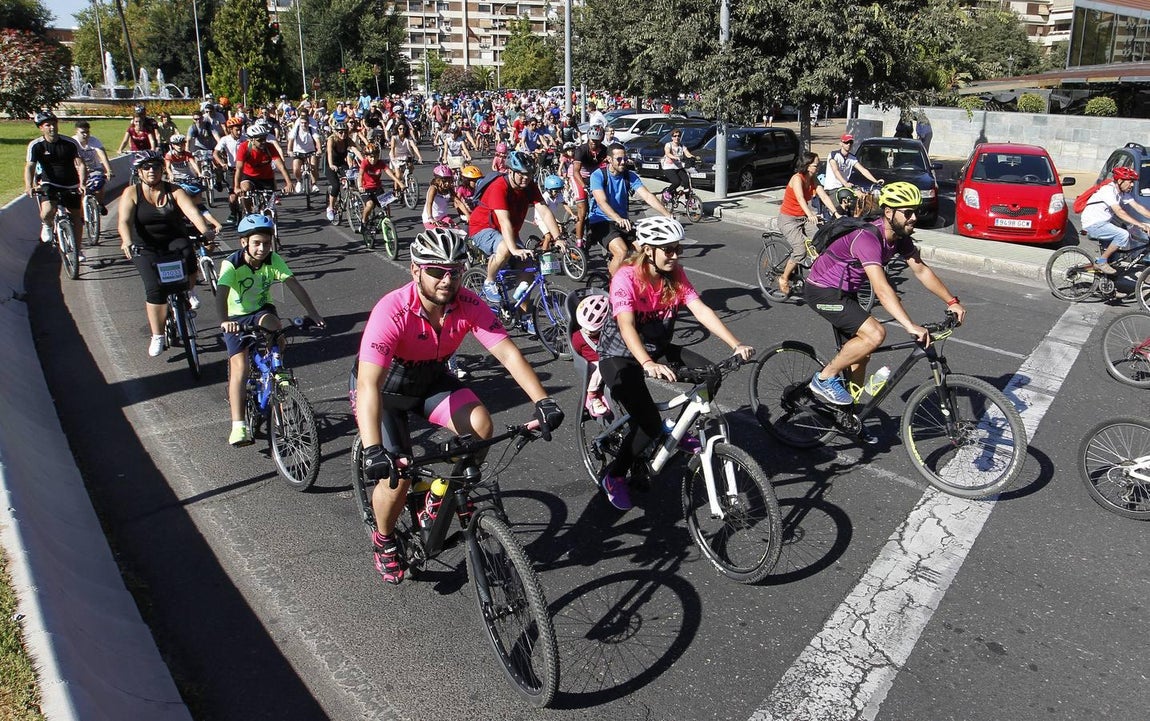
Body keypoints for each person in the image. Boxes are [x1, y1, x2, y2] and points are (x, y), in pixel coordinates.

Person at [353, 228, 564, 583]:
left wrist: (543, 401)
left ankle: (437, 492)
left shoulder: (467, 303)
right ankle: (384, 540)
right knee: (396, 479)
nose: (447, 279)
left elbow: (508, 354)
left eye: (455, 270)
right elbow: (368, 384)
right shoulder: (392, 310)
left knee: (481, 428)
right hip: (384, 392)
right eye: (436, 271)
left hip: (429, 381)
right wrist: (374, 449)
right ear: (415, 270)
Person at [595, 217, 754, 510]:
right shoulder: (626, 277)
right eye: (667, 250)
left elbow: (700, 309)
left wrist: (736, 344)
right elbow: (627, 325)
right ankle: (614, 476)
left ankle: (678, 431)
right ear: (647, 250)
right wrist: (645, 362)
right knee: (648, 423)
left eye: (677, 248)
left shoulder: (674, 273)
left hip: (658, 348)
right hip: (620, 355)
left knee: (711, 375)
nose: (675, 255)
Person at [804, 182, 967, 417]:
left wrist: (952, 301)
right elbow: (881, 288)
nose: (914, 218)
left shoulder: (900, 237)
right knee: (876, 334)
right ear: (889, 212)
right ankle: (824, 378)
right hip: (821, 291)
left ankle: (851, 415)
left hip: (845, 293)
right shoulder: (867, 239)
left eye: (916, 212)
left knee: (862, 355)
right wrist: (909, 326)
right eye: (907, 212)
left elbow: (921, 270)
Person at [217, 214, 325, 447]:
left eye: (267, 243)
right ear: (244, 242)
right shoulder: (232, 263)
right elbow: (221, 293)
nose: (262, 248)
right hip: (236, 316)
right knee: (241, 366)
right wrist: (225, 320)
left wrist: (313, 312)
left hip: (261, 310)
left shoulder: (273, 260)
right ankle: (239, 426)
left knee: (277, 329)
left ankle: (274, 369)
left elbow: (293, 284)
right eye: (257, 243)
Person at [117, 151, 218, 357]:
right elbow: (124, 221)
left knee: (188, 254)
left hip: (173, 239)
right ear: (139, 172)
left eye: (155, 166)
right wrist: (127, 241)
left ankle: (189, 291)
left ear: (162, 169)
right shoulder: (131, 193)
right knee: (155, 289)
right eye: (146, 168)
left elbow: (192, 212)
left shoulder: (175, 190)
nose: (152, 171)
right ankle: (158, 335)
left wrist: (205, 231)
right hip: (145, 245)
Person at [468, 151, 563, 304]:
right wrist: (513, 250)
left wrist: (558, 238)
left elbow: (544, 211)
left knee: (528, 270)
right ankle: (489, 282)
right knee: (505, 248)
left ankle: (524, 316)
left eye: (530, 174)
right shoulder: (499, 187)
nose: (526, 178)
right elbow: (504, 221)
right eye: (521, 174)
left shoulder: (529, 186)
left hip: (508, 231)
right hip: (482, 228)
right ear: (510, 171)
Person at [588, 144, 673, 276]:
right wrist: (617, 218)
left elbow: (647, 196)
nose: (623, 162)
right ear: (609, 159)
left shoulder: (629, 176)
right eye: (619, 159)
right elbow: (601, 202)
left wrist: (667, 214)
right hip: (601, 220)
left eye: (625, 158)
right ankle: (614, 286)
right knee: (622, 252)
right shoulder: (598, 175)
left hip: (622, 222)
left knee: (643, 250)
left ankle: (633, 280)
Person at [775, 152, 841, 297]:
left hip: (804, 217)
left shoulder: (813, 179)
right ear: (807, 165)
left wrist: (836, 214)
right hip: (789, 219)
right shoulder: (797, 178)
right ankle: (784, 278)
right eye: (816, 165)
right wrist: (810, 214)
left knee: (821, 240)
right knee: (800, 249)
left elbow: (823, 195)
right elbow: (800, 198)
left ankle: (817, 274)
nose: (819, 167)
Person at [26, 112, 87, 251]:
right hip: (49, 183)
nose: (52, 127)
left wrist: (82, 183)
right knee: (47, 211)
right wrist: (28, 186)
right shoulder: (36, 146)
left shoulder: (70, 143)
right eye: (48, 125)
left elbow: (81, 164)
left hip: (71, 182)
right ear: (41, 128)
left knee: (76, 216)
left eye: (54, 124)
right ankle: (47, 225)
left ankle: (77, 250)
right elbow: (30, 166)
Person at [1083, 165, 1150, 275]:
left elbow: (1139, 208)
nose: (1132, 184)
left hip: (1104, 224)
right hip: (1093, 223)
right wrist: (1140, 225)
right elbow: (1119, 212)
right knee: (1123, 234)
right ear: (1119, 181)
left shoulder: (1123, 193)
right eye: (1130, 181)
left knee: (1114, 259)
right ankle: (1101, 262)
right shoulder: (1108, 191)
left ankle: (1106, 281)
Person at [234, 121, 293, 213]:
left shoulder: (269, 147)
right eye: (259, 140)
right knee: (246, 190)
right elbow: (239, 168)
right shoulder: (244, 147)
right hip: (249, 176)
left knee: (269, 210)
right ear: (251, 139)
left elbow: (281, 166)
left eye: (264, 139)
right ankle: (248, 213)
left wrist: (289, 183)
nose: (263, 142)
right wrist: (237, 187)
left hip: (266, 178)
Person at [572, 294, 611, 418]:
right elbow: (577, 352)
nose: (587, 331)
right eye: (584, 327)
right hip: (590, 363)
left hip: (605, 357)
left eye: (593, 330)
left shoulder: (606, 333)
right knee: (599, 367)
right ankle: (592, 394)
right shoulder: (578, 337)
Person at [570, 125, 609, 247]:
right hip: (578, 177)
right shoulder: (581, 150)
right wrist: (584, 186)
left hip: (593, 177)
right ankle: (579, 242)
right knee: (582, 211)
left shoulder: (603, 149)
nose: (594, 143)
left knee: (604, 203)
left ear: (601, 140)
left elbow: (608, 167)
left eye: (597, 141)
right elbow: (576, 171)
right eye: (592, 140)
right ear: (588, 138)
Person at [357, 143, 403, 234]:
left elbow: (390, 174)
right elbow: (360, 175)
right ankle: (363, 223)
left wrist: (400, 184)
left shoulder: (380, 163)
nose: (373, 159)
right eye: (371, 157)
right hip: (366, 188)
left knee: (386, 203)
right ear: (367, 156)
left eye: (375, 156)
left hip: (377, 187)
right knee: (369, 204)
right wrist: (360, 186)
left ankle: (388, 222)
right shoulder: (365, 163)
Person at [73, 120, 113, 216]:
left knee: (99, 184)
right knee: (81, 193)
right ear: (76, 132)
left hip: (95, 169)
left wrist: (109, 170)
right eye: (82, 132)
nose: (85, 135)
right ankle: (82, 216)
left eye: (87, 132)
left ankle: (100, 203)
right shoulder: (73, 142)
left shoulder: (94, 141)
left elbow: (102, 155)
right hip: (78, 170)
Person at [214, 117, 245, 224]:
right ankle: (233, 212)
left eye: (240, 129)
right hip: (232, 170)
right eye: (237, 129)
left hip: (245, 170)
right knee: (233, 197)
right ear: (230, 129)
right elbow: (215, 153)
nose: (239, 132)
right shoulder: (225, 140)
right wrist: (222, 163)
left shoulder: (245, 139)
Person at [422, 164, 470, 229]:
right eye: (444, 181)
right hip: (430, 219)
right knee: (444, 235)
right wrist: (431, 218)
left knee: (458, 231)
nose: (447, 183)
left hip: (443, 217)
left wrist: (468, 215)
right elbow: (429, 203)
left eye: (449, 181)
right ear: (437, 180)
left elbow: (458, 202)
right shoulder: (433, 188)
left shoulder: (449, 189)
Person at [325, 121, 354, 223]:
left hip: (341, 164)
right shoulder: (331, 140)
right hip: (330, 164)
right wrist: (332, 165)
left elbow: (357, 150)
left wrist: (365, 162)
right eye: (340, 132)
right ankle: (331, 208)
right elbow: (329, 153)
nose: (343, 134)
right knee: (336, 186)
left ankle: (353, 197)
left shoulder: (347, 140)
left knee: (352, 178)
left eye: (345, 132)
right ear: (336, 132)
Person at [660, 128, 698, 203]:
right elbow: (667, 153)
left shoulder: (681, 146)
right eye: (675, 136)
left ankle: (688, 200)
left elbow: (687, 153)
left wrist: (694, 157)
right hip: (668, 167)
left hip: (678, 167)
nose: (677, 137)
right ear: (672, 137)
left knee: (686, 181)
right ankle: (667, 192)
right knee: (676, 182)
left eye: (678, 136)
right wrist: (674, 157)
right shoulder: (668, 145)